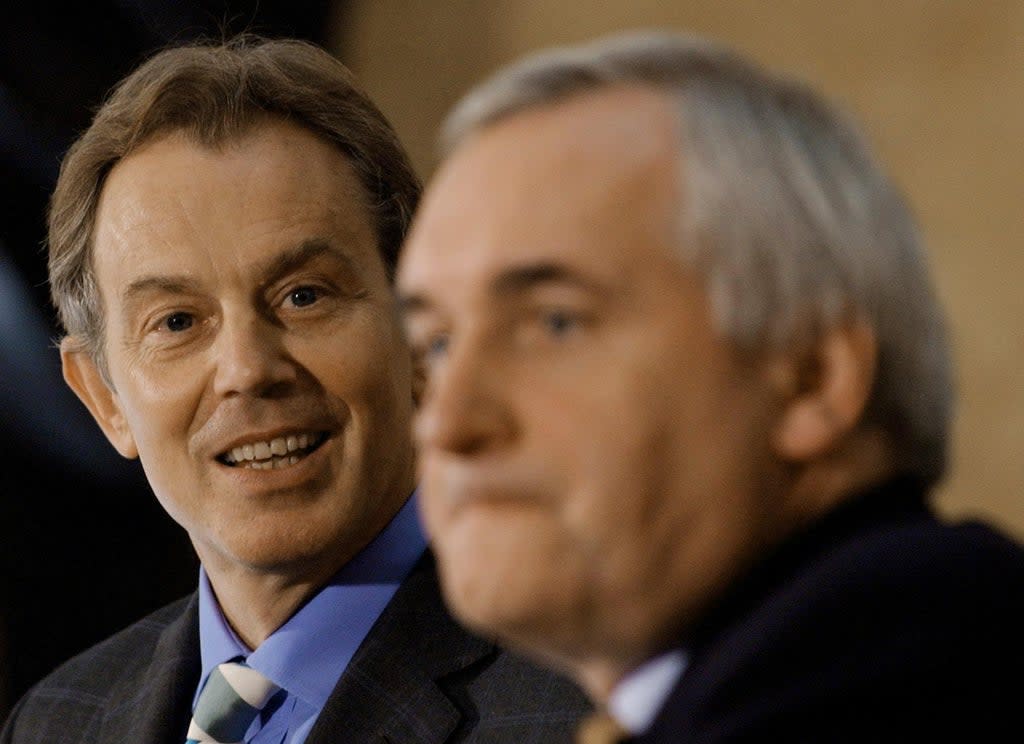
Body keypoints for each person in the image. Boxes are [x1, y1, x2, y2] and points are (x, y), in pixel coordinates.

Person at [396, 29, 1024, 742]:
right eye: (437, 345)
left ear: (809, 379)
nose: (448, 424)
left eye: (555, 323)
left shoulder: (893, 687)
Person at [0, 35, 589, 744]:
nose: (248, 368)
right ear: (104, 400)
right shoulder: (57, 722)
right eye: (178, 321)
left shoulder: (588, 699)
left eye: (304, 296)